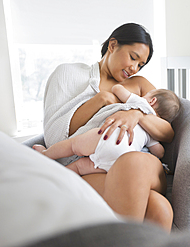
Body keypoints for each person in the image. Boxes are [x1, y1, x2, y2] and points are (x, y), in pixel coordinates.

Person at [42, 23, 175, 232]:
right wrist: (101, 99)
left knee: (132, 163)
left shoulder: (139, 84)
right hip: (95, 165)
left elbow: (167, 132)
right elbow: (55, 135)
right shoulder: (69, 74)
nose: (134, 69)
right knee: (160, 210)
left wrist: (136, 114)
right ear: (113, 45)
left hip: (143, 162)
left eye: (140, 65)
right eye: (133, 58)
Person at [34, 84, 180, 177]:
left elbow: (117, 88)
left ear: (152, 100)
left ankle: (46, 154)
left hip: (105, 137)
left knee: (72, 145)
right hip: (121, 158)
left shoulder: (140, 103)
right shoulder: (151, 132)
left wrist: (132, 97)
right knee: (79, 168)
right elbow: (159, 152)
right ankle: (57, 178)